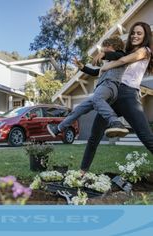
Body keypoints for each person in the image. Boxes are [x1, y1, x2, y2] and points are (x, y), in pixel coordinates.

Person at [80, 21, 153, 174]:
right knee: (94, 137)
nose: (134, 35)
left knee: (146, 137)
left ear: (146, 36)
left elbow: (123, 61)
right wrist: (85, 67)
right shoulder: (125, 52)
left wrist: (105, 57)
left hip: (128, 96)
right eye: (133, 32)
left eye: (139, 33)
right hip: (111, 95)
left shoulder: (145, 51)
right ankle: (82, 172)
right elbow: (113, 62)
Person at [47, 36, 129, 139]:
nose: (102, 50)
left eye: (104, 48)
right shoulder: (107, 64)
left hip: (110, 86)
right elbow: (95, 72)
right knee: (78, 109)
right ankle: (58, 129)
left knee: (97, 98)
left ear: (110, 46)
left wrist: (103, 54)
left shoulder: (121, 55)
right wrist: (82, 67)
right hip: (101, 89)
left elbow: (116, 55)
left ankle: (116, 122)